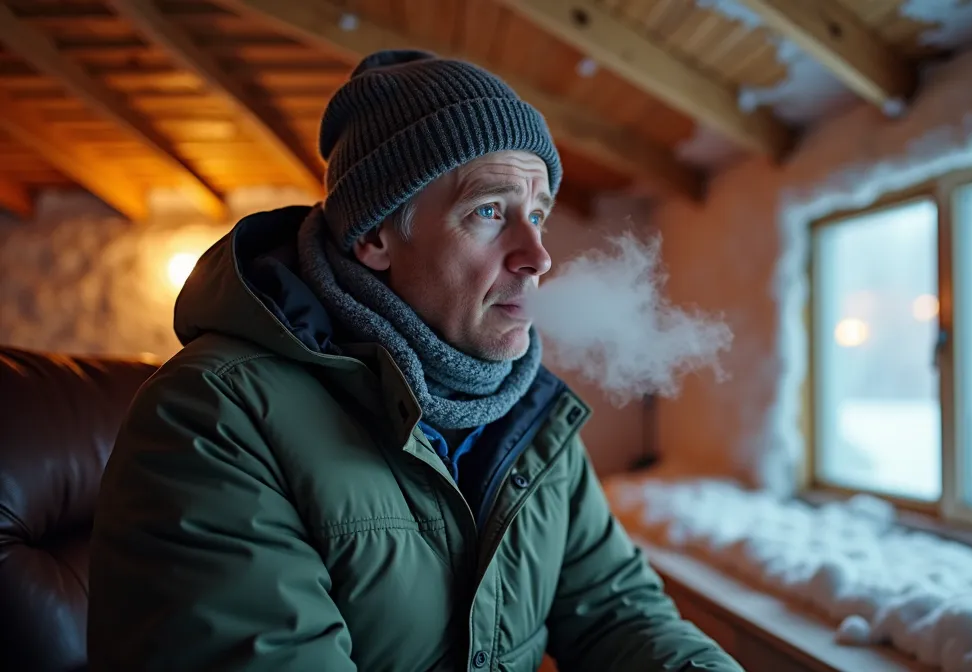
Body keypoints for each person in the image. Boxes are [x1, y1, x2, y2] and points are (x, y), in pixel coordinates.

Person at [87, 49, 742, 672]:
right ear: (375, 235)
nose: (537, 255)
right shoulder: (215, 417)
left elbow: (616, 615)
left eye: (537, 214)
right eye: (490, 210)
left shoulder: (530, 416)